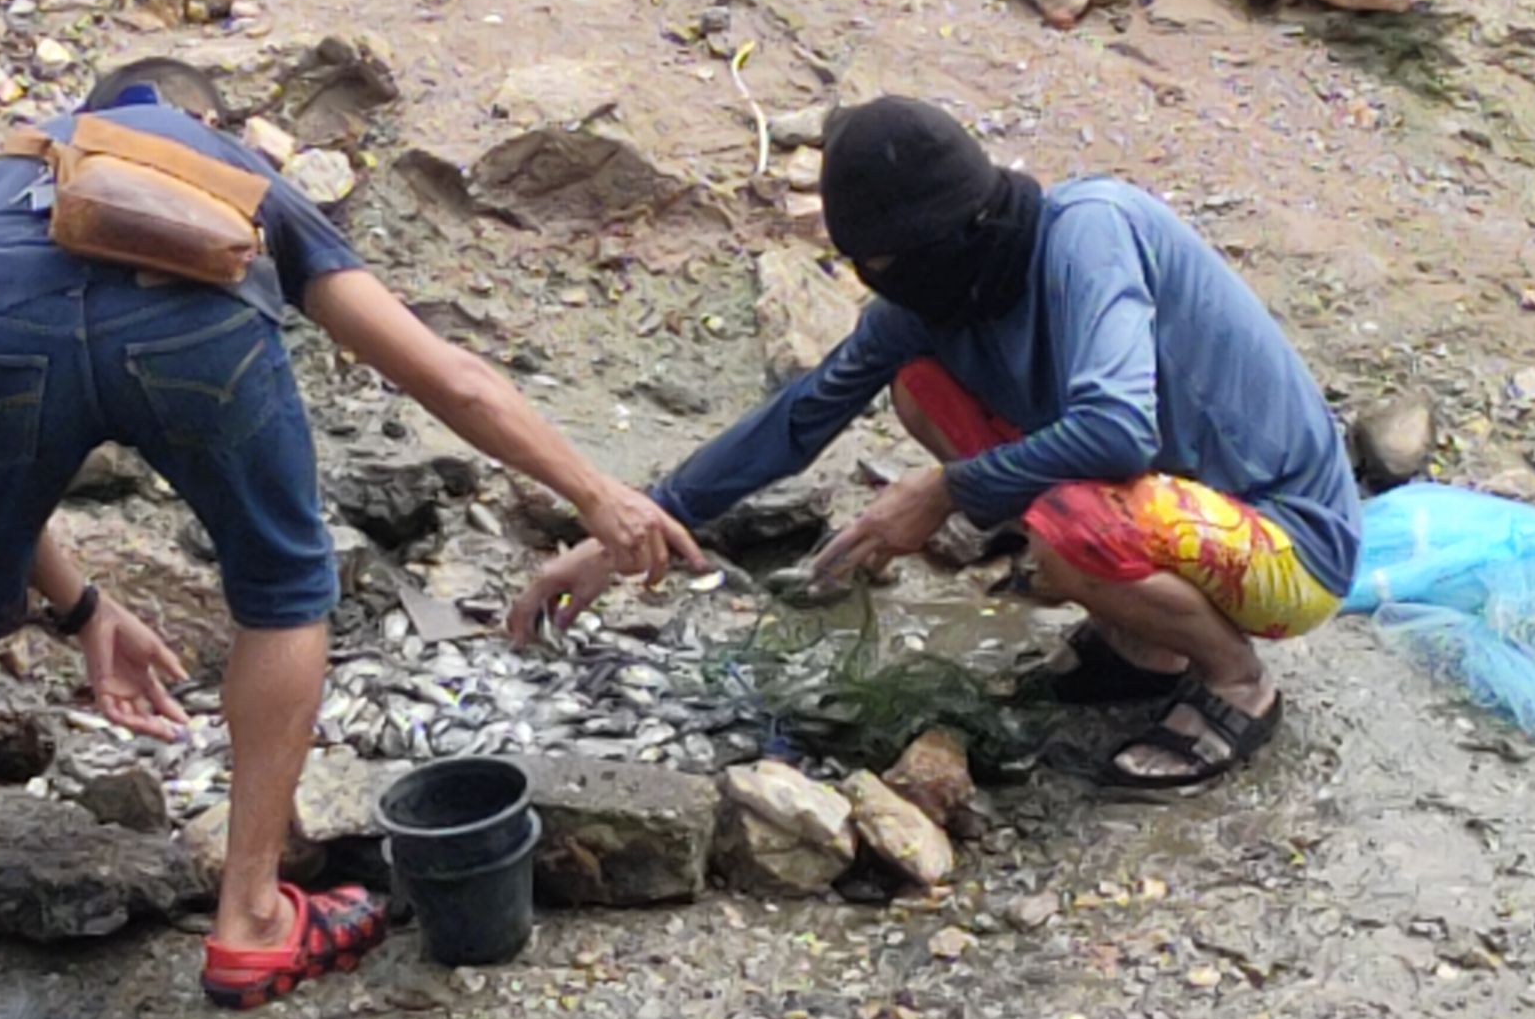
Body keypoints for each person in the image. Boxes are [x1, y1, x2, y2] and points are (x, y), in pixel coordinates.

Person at [0, 57, 699, 1019]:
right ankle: (250, 920)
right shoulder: (233, 170)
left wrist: (80, 607)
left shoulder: (9, 174)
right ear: (203, 114)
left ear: (91, 109)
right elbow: (444, 375)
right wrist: (594, 493)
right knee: (284, 587)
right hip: (194, 338)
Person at [508, 96, 1360, 795]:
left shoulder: (1088, 234)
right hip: (1168, 509)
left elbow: (1119, 431)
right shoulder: (929, 298)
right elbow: (800, 417)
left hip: (1290, 550)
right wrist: (622, 530)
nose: (882, 283)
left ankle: (1234, 680)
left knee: (1067, 528)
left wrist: (945, 490)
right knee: (918, 383)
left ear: (952, 233)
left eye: (887, 261)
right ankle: (1146, 643)